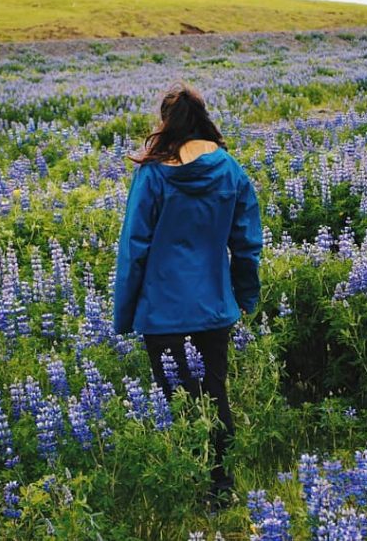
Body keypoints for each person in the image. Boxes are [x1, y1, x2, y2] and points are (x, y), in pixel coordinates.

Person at [112, 83, 263, 510]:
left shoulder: (153, 174)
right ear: (202, 118)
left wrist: (125, 312)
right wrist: (244, 296)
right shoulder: (230, 170)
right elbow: (247, 244)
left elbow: (133, 249)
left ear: (167, 123)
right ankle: (221, 489)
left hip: (163, 311)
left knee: (177, 402)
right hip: (214, 307)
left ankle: (188, 486)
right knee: (215, 396)